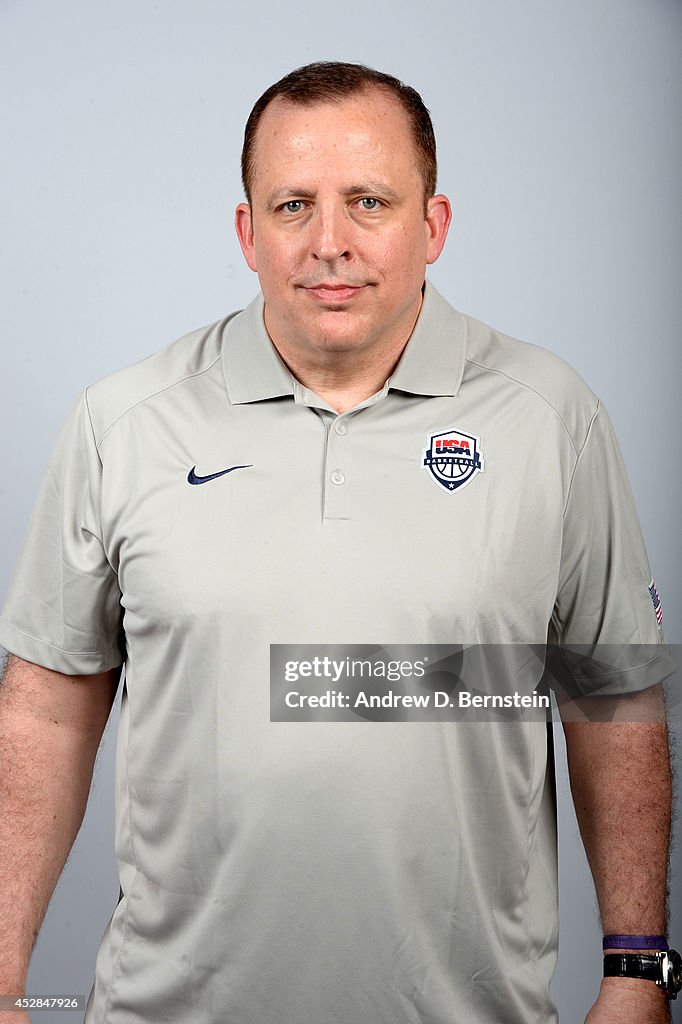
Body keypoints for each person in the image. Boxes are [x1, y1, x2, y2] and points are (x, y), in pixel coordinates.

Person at [0, 61, 678, 1024]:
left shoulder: (552, 420)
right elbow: (49, 709)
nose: (330, 244)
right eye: (291, 206)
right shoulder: (124, 425)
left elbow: (615, 693)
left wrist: (639, 967)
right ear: (246, 231)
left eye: (369, 202)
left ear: (434, 224)